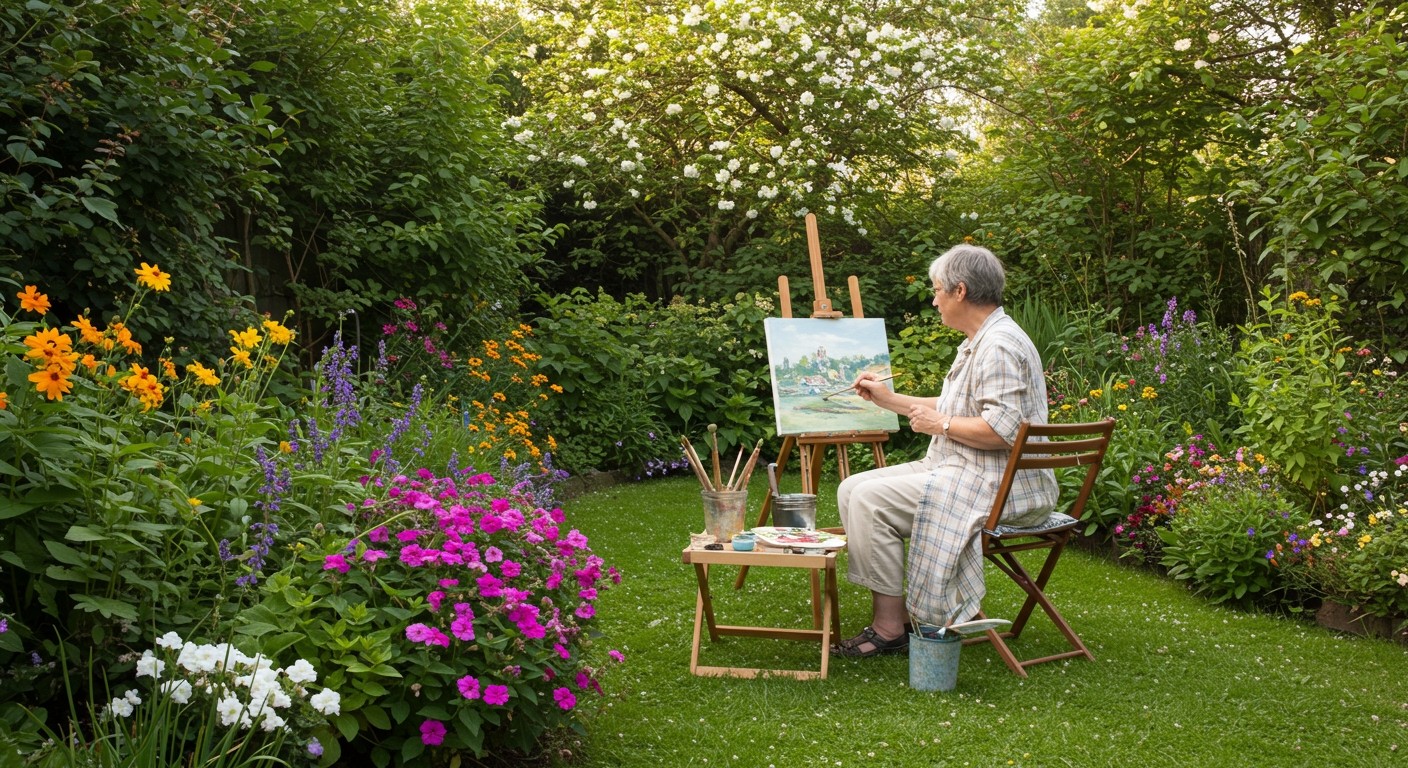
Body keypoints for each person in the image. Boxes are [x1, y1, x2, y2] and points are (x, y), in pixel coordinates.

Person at [832, 244, 1057, 657]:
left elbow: (1003, 430)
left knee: (868, 499)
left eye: (937, 290)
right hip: (968, 469)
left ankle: (889, 628)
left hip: (1000, 486)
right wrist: (889, 400)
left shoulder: (999, 346)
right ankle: (896, 618)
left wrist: (943, 426)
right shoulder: (981, 339)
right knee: (851, 488)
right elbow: (957, 406)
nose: (933, 299)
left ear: (960, 290)